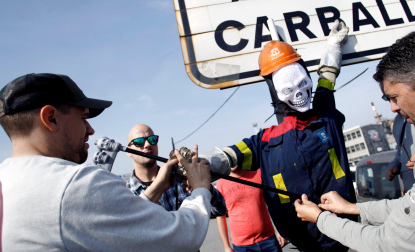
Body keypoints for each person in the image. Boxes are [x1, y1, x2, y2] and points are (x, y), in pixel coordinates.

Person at [294, 31, 415, 251]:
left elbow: (390, 243)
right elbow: (414, 209)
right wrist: (354, 209)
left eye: (394, 97)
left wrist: (320, 219)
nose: (393, 108)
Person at [0, 73, 213, 251]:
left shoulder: (6, 181)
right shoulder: (77, 185)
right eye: (84, 118)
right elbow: (182, 236)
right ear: (51, 118)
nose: (91, 130)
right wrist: (201, 188)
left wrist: (156, 188)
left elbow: (120, 225)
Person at [216, 20, 356, 251]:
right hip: (302, 238)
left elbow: (327, 76)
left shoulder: (325, 117)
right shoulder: (266, 141)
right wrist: (199, 163)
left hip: (342, 230)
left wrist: (333, 46)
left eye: (302, 84)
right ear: (277, 92)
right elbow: (230, 155)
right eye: (289, 89)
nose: (299, 93)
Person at [126, 124, 227, 216]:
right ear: (128, 151)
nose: (147, 144)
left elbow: (219, 210)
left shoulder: (179, 178)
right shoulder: (125, 192)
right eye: (139, 142)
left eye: (152, 139)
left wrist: (204, 187)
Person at [216, 167, 286, 252]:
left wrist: (282, 231)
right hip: (242, 247)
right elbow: (220, 217)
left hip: (268, 240)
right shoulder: (221, 184)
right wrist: (226, 246)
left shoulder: (258, 174)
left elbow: (275, 202)